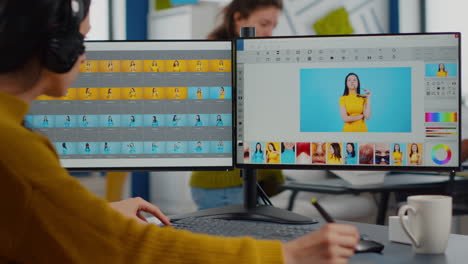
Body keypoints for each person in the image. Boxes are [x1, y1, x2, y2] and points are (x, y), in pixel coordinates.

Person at [1, 0, 360, 262]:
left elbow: (36, 215)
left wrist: (100, 214)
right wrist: (286, 257)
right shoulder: (15, 148)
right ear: (55, 49)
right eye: (82, 41)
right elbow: (128, 249)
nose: (86, 57)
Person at [191, 0, 287, 212]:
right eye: (264, 24)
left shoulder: (245, 56)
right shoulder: (219, 56)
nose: (270, 32)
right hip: (225, 185)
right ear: (239, 18)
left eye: (273, 25)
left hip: (237, 182)